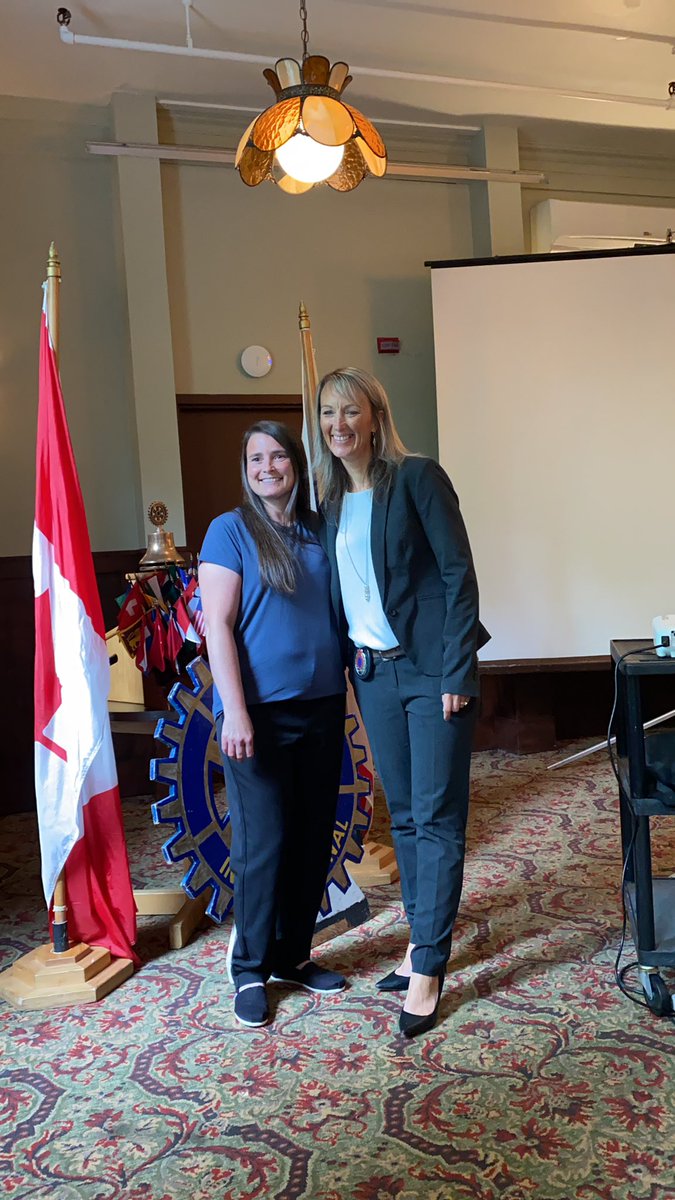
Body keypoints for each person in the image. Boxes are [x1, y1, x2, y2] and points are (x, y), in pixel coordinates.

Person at [315, 368, 489, 1038]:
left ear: (375, 415)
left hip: (430, 673)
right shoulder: (332, 501)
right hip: (375, 676)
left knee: (439, 817)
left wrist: (455, 671)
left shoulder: (416, 477)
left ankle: (430, 965)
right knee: (408, 819)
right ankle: (423, 940)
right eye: (329, 413)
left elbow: (457, 575)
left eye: (351, 411)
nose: (339, 424)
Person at [199, 420, 347, 1028]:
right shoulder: (229, 532)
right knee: (265, 845)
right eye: (256, 458)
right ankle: (250, 970)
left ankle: (293, 955)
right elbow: (218, 626)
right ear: (245, 468)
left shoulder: (316, 529)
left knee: (314, 839)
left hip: (322, 706)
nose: (267, 467)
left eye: (278, 455)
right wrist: (234, 710)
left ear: (295, 463)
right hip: (255, 715)